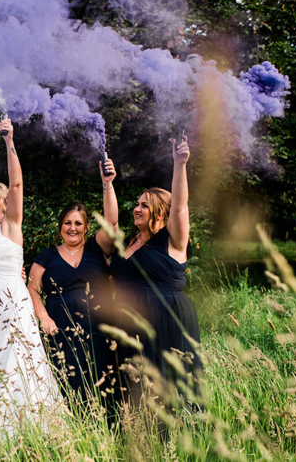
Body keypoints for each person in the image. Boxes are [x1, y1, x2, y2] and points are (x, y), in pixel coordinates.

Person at [0, 118, 59, 430]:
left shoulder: (11, 223)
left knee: (14, 357)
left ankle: (21, 426)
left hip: (11, 299)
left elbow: (17, 184)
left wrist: (9, 143)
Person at [108, 135, 203, 409]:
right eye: (137, 204)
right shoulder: (129, 242)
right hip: (130, 320)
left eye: (144, 205)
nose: (136, 209)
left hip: (166, 315)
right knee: (136, 387)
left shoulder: (172, 240)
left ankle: (176, 442)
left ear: (161, 211)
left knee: (168, 382)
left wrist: (180, 164)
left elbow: (181, 206)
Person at [27, 157, 119, 408]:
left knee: (102, 382)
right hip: (60, 330)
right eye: (67, 223)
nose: (72, 228)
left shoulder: (97, 248)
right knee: (67, 383)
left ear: (87, 227)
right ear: (60, 228)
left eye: (78, 223)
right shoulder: (46, 256)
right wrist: (44, 318)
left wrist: (107, 184)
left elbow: (111, 222)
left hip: (99, 326)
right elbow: (33, 290)